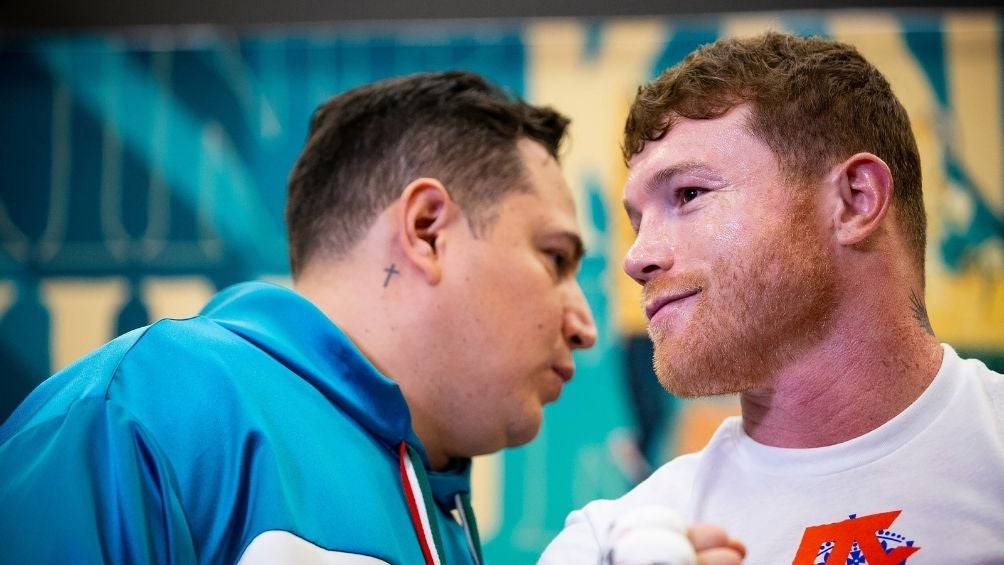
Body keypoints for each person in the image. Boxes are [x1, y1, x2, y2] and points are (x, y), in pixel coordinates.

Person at [0, 71, 603, 564]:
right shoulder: (145, 408)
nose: (584, 324)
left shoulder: (432, 495)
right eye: (555, 258)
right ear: (427, 231)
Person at [540, 32, 1004, 564]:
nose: (637, 257)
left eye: (689, 195)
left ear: (856, 200)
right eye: (637, 220)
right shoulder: (608, 545)